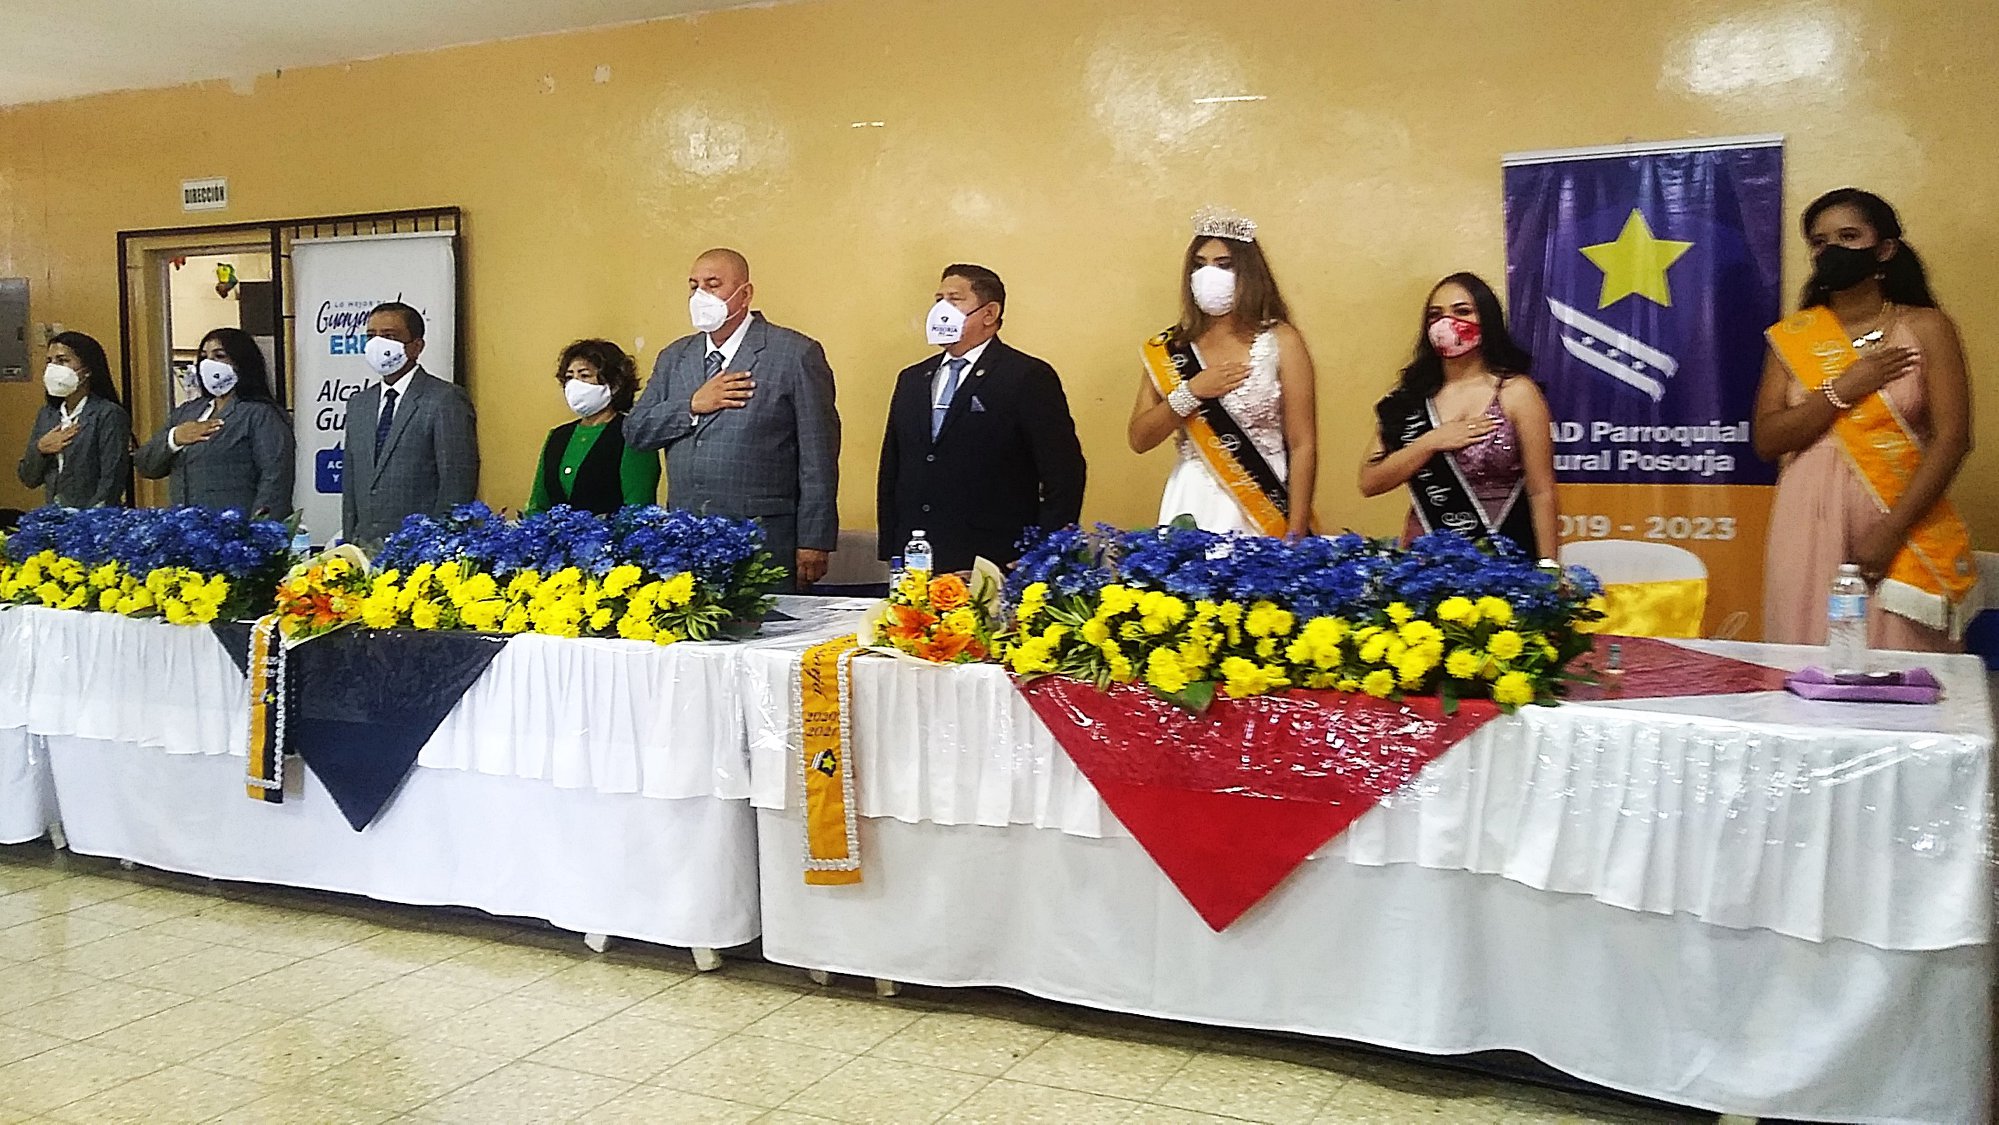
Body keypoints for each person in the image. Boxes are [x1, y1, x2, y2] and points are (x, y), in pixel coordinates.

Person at [1754, 188, 1975, 651]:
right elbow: (1768, 439)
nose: (1831, 250)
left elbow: (1953, 439)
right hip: (1807, 516)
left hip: (1898, 517)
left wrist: (1891, 530)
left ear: (1885, 249)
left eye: (1849, 236)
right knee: (1804, 647)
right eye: (1819, 242)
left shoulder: (1926, 327)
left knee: (1897, 656)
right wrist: (1845, 388)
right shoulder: (1793, 336)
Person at [626, 248, 840, 590]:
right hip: (686, 542)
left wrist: (814, 539)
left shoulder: (794, 353)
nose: (701, 295)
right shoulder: (675, 356)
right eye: (694, 286)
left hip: (763, 540)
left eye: (713, 285)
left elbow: (818, 456)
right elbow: (637, 430)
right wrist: (691, 405)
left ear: (745, 293)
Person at [878, 265, 1086, 571]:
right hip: (917, 557)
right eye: (938, 299)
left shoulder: (1026, 376)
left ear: (989, 313)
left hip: (993, 558)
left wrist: (1042, 554)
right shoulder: (912, 379)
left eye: (954, 299)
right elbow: (893, 466)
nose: (941, 309)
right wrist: (891, 546)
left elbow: (1064, 474)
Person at [1127, 208, 1318, 537]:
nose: (1208, 275)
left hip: (1264, 503)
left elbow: (1303, 444)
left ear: (1248, 273)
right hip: (1192, 502)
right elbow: (1139, 439)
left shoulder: (1281, 340)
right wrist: (1191, 392)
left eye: (1224, 264)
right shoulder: (1171, 348)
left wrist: (1296, 532)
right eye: (1199, 265)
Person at [1359, 273, 1558, 560]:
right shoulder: (1411, 400)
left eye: (1462, 311)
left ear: (1486, 319)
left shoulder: (1516, 392)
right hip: (1425, 556)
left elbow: (1541, 492)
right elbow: (1369, 482)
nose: (1447, 322)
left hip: (1505, 552)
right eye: (1435, 315)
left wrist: (1549, 565)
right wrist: (1430, 442)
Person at [339, 301, 479, 547]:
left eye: (389, 336)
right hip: (365, 547)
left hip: (420, 550)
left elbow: (457, 482)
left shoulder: (444, 399)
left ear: (416, 346)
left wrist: (440, 545)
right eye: (371, 336)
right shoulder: (359, 404)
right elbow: (352, 484)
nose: (377, 344)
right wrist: (351, 543)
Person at [135, 327, 295, 518]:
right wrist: (174, 438)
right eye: (204, 357)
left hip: (234, 528)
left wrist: (259, 529)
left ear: (241, 362)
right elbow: (146, 465)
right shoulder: (188, 411)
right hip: (184, 527)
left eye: (219, 356)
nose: (208, 364)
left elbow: (275, 478)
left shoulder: (260, 414)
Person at [525, 339, 660, 515]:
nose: (574, 384)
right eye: (569, 377)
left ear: (614, 384)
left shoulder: (632, 434)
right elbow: (538, 505)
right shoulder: (558, 436)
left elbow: (638, 510)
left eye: (584, 376)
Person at [18, 330, 131, 508]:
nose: (53, 368)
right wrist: (40, 449)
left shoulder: (108, 414)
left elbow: (112, 480)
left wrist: (90, 519)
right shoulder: (48, 414)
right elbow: (29, 478)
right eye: (49, 361)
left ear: (87, 370)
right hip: (54, 515)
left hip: (94, 518)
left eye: (62, 360)